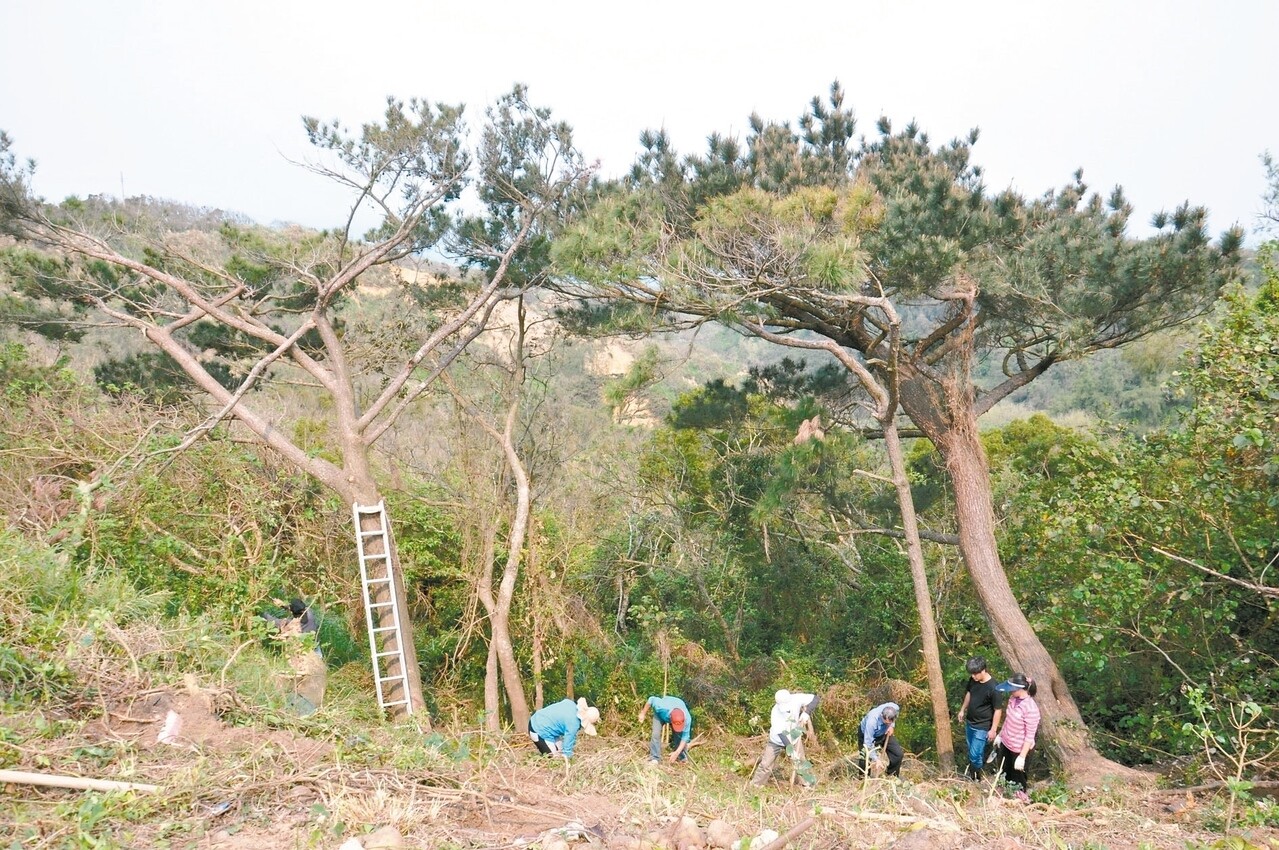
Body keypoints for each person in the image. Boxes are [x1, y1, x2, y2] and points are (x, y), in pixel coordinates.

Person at [750, 689, 819, 787]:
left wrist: (806, 713)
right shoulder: (775, 712)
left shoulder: (796, 699)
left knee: (800, 762)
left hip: (794, 737)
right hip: (776, 740)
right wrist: (791, 752)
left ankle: (806, 784)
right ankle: (756, 785)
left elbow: (815, 699)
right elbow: (781, 734)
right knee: (765, 764)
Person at [990, 673, 1040, 801]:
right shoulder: (1012, 699)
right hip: (1007, 743)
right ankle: (1002, 794)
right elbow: (1008, 720)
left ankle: (1019, 800)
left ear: (1021, 689)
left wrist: (1022, 757)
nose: (1010, 691)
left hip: (1020, 748)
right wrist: (1000, 735)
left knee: (1018, 777)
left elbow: (1030, 736)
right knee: (1004, 772)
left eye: (1012, 689)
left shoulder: (1031, 709)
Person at [957, 656, 1003, 779]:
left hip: (982, 726)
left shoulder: (994, 687)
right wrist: (962, 710)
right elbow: (969, 694)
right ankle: (974, 774)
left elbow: (998, 710)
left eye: (975, 674)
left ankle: (976, 776)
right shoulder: (973, 681)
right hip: (970, 722)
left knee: (974, 754)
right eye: (972, 674)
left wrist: (993, 729)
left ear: (983, 670)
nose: (973, 676)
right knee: (973, 751)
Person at [528, 697, 600, 761]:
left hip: (543, 723)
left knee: (560, 750)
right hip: (537, 730)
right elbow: (568, 746)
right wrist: (568, 758)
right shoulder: (573, 724)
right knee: (554, 758)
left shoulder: (570, 703)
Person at [639, 694, 694, 763]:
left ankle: (682, 758)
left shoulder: (687, 719)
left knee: (679, 735)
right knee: (655, 734)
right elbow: (651, 699)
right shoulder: (661, 706)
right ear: (670, 718)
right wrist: (643, 713)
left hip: (677, 705)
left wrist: (676, 752)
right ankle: (655, 758)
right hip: (660, 715)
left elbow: (685, 738)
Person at [858, 702, 903, 777]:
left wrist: (891, 726)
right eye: (885, 722)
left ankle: (892, 776)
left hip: (884, 733)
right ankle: (863, 779)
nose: (887, 723)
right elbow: (868, 743)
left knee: (898, 754)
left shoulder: (894, 707)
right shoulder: (872, 721)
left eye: (889, 722)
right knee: (865, 757)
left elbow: (893, 718)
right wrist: (876, 759)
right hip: (867, 735)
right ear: (881, 716)